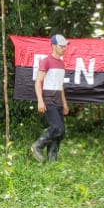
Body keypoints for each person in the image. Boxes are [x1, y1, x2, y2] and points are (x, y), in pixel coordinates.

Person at [30, 34, 69, 163]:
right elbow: (38, 82)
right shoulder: (46, 61)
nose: (64, 48)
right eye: (61, 46)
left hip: (58, 100)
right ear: (53, 46)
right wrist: (40, 101)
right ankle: (37, 146)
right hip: (49, 99)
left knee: (60, 132)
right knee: (57, 128)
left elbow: (60, 85)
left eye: (65, 46)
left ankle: (53, 160)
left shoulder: (62, 63)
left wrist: (64, 103)